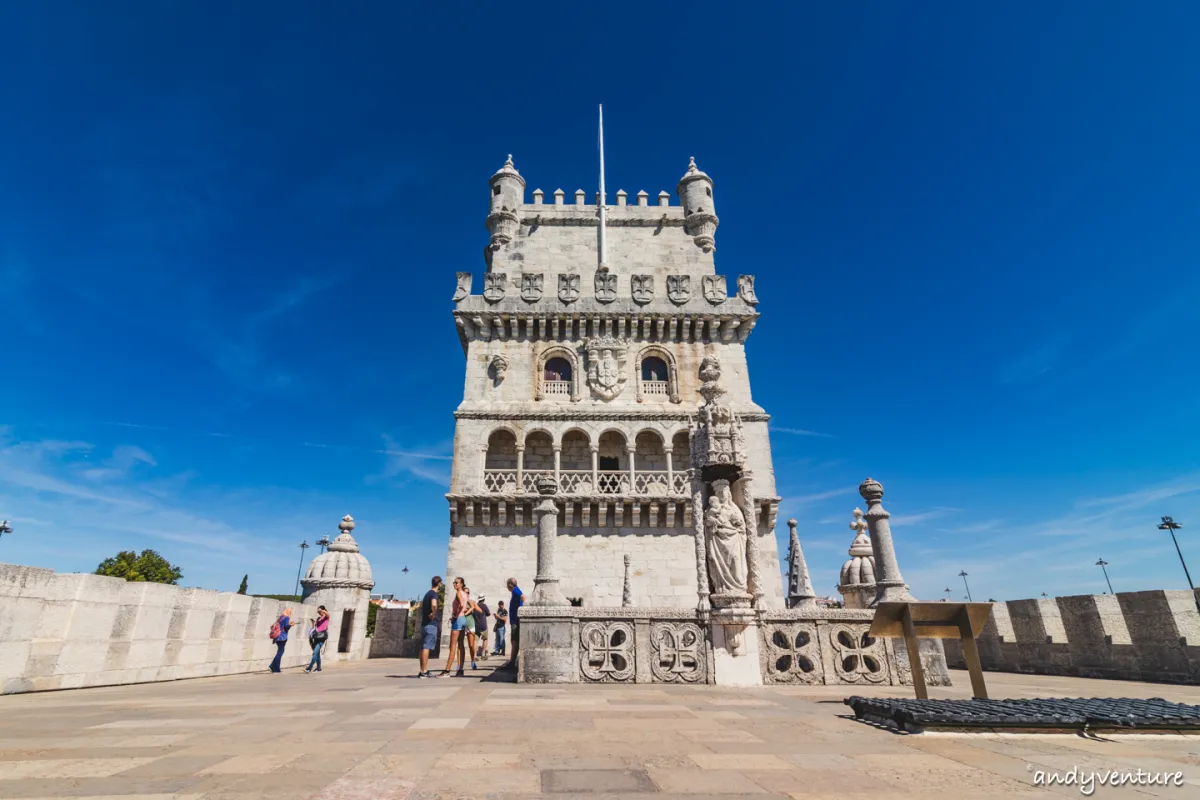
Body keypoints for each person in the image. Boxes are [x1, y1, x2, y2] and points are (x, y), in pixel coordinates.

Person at [438, 577, 470, 677]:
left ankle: (447, 671)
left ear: (461, 584)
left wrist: (455, 615)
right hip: (463, 619)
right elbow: (466, 606)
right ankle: (460, 669)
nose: (454, 584)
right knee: (460, 645)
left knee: (452, 647)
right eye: (454, 582)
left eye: (457, 583)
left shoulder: (458, 593)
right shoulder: (465, 594)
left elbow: (460, 605)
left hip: (458, 619)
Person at [418, 576, 442, 678]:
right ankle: (424, 671)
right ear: (439, 583)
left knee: (423, 647)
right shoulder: (434, 594)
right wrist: (434, 612)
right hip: (431, 625)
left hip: (424, 624)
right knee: (427, 647)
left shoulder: (427, 594)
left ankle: (422, 670)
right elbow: (434, 604)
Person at [502, 578, 523, 671]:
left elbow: (523, 597)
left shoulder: (515, 590)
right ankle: (512, 662)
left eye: (507, 585)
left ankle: (511, 663)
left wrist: (521, 612)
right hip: (515, 620)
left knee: (514, 641)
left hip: (515, 621)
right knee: (514, 641)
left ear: (510, 585)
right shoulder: (516, 590)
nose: (507, 587)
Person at [304, 606, 330, 673]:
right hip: (316, 637)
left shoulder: (326, 617)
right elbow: (315, 627)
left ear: (323, 610)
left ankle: (309, 668)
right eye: (318, 612)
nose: (319, 613)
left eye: (319, 611)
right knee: (317, 654)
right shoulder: (318, 618)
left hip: (322, 637)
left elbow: (327, 614)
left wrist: (321, 610)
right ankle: (318, 668)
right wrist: (313, 624)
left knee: (315, 653)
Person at [269, 607, 292, 673]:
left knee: (279, 652)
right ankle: (276, 669)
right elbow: (286, 627)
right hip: (282, 637)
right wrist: (291, 625)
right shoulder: (287, 617)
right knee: (280, 653)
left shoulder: (281, 617)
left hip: (277, 637)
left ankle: (273, 667)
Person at [473, 595, 490, 661]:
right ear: (484, 599)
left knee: (475, 641)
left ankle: (474, 655)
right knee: (485, 639)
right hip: (483, 626)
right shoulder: (484, 606)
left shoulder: (475, 605)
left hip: (476, 626)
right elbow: (488, 613)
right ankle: (483, 654)